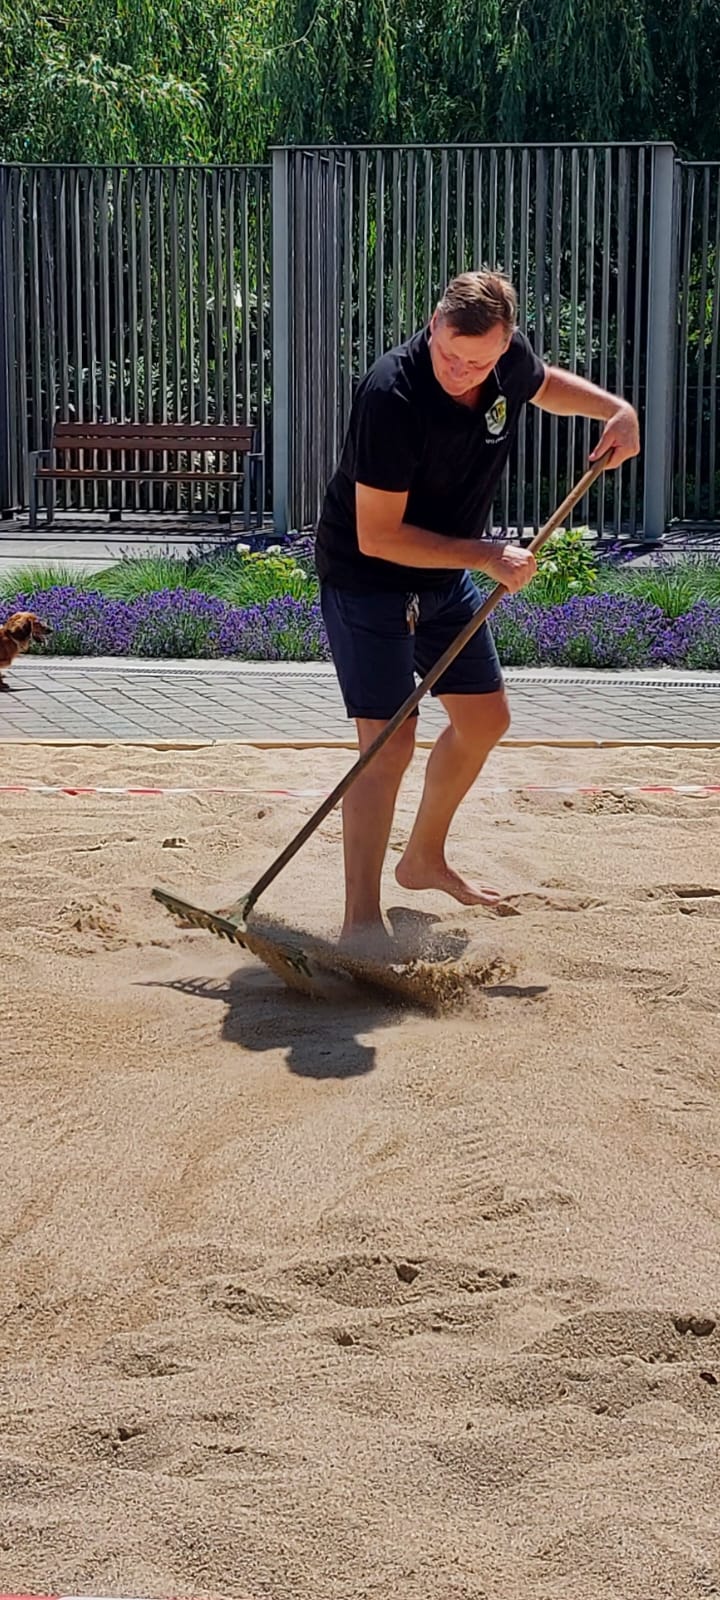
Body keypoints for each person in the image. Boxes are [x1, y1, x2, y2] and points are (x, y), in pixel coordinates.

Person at [315, 270, 640, 944]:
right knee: (387, 746)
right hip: (369, 579)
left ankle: (423, 859)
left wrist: (616, 410)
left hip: (446, 573)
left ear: (504, 344)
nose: (462, 371)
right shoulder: (391, 394)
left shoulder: (503, 359)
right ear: (433, 324)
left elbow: (543, 385)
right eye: (450, 355)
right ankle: (360, 922)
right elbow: (378, 535)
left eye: (480, 362)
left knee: (485, 719)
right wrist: (488, 556)